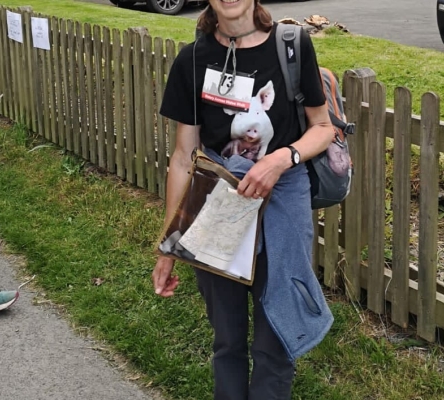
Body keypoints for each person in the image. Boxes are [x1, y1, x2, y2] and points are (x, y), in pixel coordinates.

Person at [151, 0, 336, 398]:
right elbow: (184, 156)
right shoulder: (194, 59)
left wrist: (280, 160)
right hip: (218, 204)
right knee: (228, 339)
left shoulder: (292, 45)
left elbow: (323, 128)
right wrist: (169, 245)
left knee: (275, 340)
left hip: (283, 199)